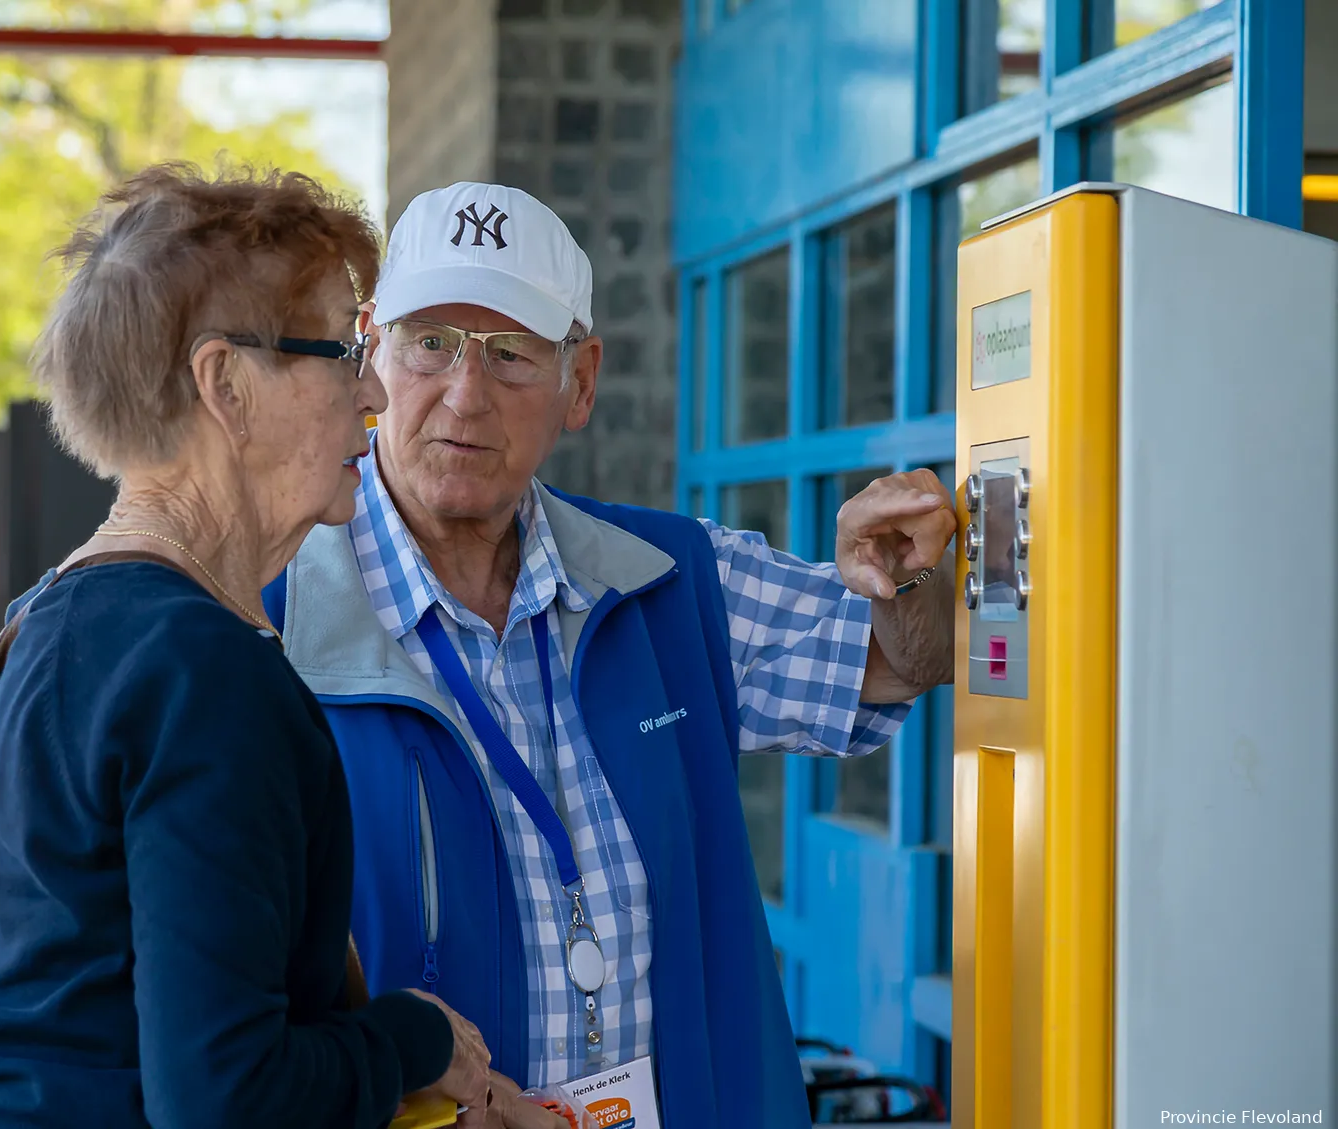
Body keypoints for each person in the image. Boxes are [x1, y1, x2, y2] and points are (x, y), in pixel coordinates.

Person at [260, 182, 957, 1129]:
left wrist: (908, 575)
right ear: (371, 352)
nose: (464, 394)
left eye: (511, 354)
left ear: (579, 381)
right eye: (431, 341)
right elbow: (212, 1035)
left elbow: (897, 659)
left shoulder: (670, 581)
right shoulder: (263, 625)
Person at [0, 164, 492, 1129]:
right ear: (225, 383)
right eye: (344, 350)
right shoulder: (204, 673)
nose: (374, 396)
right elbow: (227, 1098)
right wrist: (411, 1040)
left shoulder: (33, 629)